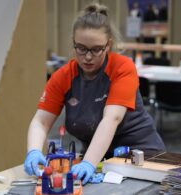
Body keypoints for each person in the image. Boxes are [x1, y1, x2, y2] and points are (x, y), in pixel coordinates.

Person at [24, 2, 165, 185]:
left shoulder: (122, 68)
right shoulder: (63, 77)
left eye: (96, 49)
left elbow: (111, 120)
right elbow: (41, 121)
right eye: (81, 48)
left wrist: (89, 163)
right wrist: (33, 151)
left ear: (108, 45)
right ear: (73, 44)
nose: (88, 57)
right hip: (100, 161)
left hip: (143, 159)